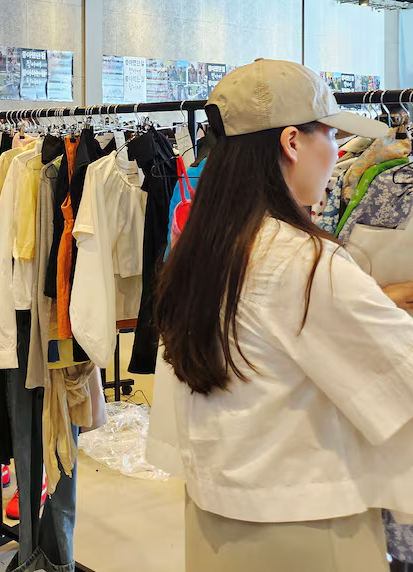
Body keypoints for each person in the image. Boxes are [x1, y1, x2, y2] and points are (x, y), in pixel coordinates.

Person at [149, 59, 413, 572]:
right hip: (308, 530)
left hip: (214, 523)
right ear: (292, 142)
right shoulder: (306, 263)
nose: (338, 155)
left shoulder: (203, 250)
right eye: (332, 136)